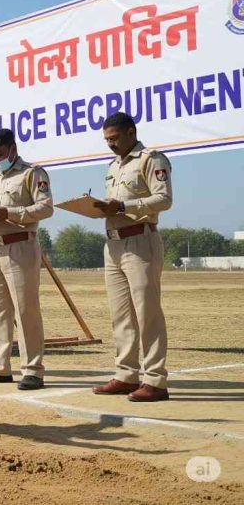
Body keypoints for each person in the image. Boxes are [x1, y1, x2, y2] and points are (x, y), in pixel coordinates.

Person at [91, 112, 173, 402]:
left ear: (131, 132)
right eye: (107, 140)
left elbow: (163, 199)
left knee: (147, 311)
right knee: (121, 315)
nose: (110, 144)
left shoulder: (151, 159)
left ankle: (155, 380)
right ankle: (126, 374)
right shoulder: (113, 165)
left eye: (114, 138)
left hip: (141, 240)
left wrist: (124, 205)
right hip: (112, 245)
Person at [0, 128, 52, 391]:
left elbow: (45, 207)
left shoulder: (32, 173)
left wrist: (10, 212)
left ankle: (33, 370)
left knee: (25, 310)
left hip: (20, 246)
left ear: (13, 149)